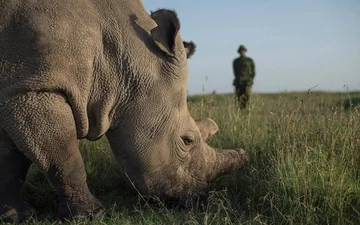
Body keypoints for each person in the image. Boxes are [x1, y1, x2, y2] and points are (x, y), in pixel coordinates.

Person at [232, 45, 256, 109]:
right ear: (239, 51)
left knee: (247, 97)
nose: (242, 52)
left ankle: (246, 111)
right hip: (238, 82)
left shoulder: (249, 60)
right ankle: (240, 111)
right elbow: (235, 71)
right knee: (238, 98)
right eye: (240, 50)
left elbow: (253, 72)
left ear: (245, 51)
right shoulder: (236, 61)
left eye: (243, 50)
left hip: (247, 82)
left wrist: (250, 79)